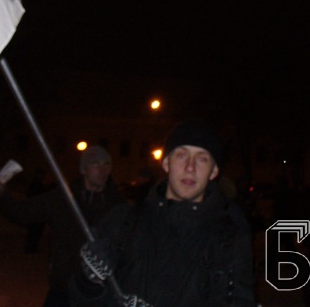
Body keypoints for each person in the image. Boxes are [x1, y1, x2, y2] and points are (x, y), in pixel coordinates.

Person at [69, 119, 255, 307]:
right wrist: (88, 282)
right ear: (166, 163)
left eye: (202, 158)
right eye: (181, 155)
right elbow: (82, 301)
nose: (190, 167)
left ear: (213, 171)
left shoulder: (229, 235)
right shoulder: (125, 222)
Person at [0, 145, 125, 307]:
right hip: (63, 285)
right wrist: (3, 195)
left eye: (106, 164)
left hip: (98, 291)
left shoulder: (117, 204)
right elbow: (24, 211)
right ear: (84, 170)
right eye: (96, 164)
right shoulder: (64, 197)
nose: (102, 170)